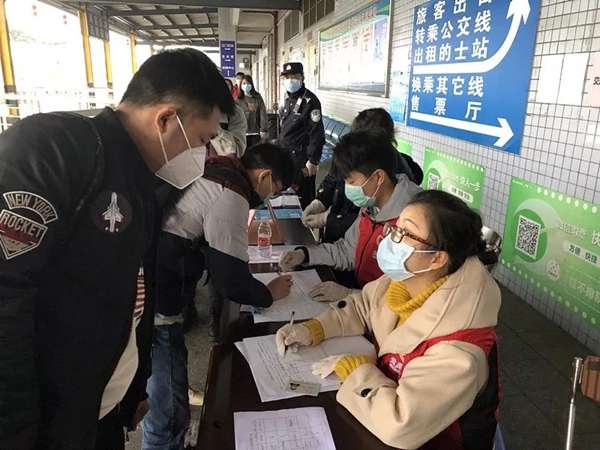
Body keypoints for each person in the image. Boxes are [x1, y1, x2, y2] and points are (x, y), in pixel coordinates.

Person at [0, 48, 233, 450]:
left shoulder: (141, 179)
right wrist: (16, 435)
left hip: (99, 411)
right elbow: (6, 297)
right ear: (165, 119)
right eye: (203, 140)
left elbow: (135, 289)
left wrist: (134, 387)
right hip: (47, 424)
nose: (206, 155)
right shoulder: (52, 149)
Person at [276, 190, 501, 450]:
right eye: (395, 229)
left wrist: (356, 371)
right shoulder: (406, 281)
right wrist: (315, 328)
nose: (388, 240)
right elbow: (364, 305)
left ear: (437, 258)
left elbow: (400, 425)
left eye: (405, 234)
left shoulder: (459, 351)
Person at [142, 143, 296, 450]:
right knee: (166, 405)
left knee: (166, 385)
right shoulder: (230, 192)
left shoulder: (218, 171)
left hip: (152, 279)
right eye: (276, 190)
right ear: (265, 176)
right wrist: (268, 293)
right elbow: (230, 279)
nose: (272, 196)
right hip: (158, 297)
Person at [279, 132, 422, 302]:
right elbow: (347, 251)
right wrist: (304, 254)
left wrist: (350, 295)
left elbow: (411, 297)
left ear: (378, 177)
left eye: (352, 182)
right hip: (364, 303)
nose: (348, 189)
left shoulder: (415, 222)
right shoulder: (371, 207)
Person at [303, 108, 423, 244]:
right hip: (341, 241)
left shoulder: (393, 175)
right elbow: (334, 177)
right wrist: (319, 202)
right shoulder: (353, 154)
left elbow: (371, 222)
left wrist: (328, 219)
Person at [278, 62, 325, 208]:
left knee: (303, 197)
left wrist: (313, 160)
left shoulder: (310, 101)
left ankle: (305, 221)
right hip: (286, 156)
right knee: (286, 196)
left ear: (302, 77)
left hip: (302, 160)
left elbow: (316, 133)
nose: (290, 80)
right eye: (287, 77)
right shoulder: (287, 98)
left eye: (294, 76)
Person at [237, 74, 269, 148]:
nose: (246, 85)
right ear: (240, 86)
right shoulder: (238, 100)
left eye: (248, 83)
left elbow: (263, 113)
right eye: (244, 83)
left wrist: (263, 129)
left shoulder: (257, 97)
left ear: (252, 85)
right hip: (242, 133)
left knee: (255, 152)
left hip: (255, 132)